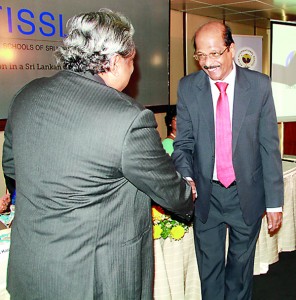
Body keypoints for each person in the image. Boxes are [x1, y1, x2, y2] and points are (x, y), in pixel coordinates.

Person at [2, 9, 194, 300]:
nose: (133, 69)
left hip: (32, 270)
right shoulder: (127, 117)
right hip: (96, 280)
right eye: (132, 60)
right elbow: (169, 190)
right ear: (116, 61)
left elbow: (12, 168)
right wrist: (188, 194)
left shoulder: (27, 95)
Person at [172, 21, 284, 300]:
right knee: (208, 273)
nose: (208, 63)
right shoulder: (188, 87)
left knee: (239, 273)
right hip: (205, 196)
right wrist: (186, 176)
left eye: (214, 53)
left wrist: (274, 201)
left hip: (246, 194)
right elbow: (183, 143)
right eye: (201, 55)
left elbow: (269, 146)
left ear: (231, 49)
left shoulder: (259, 86)